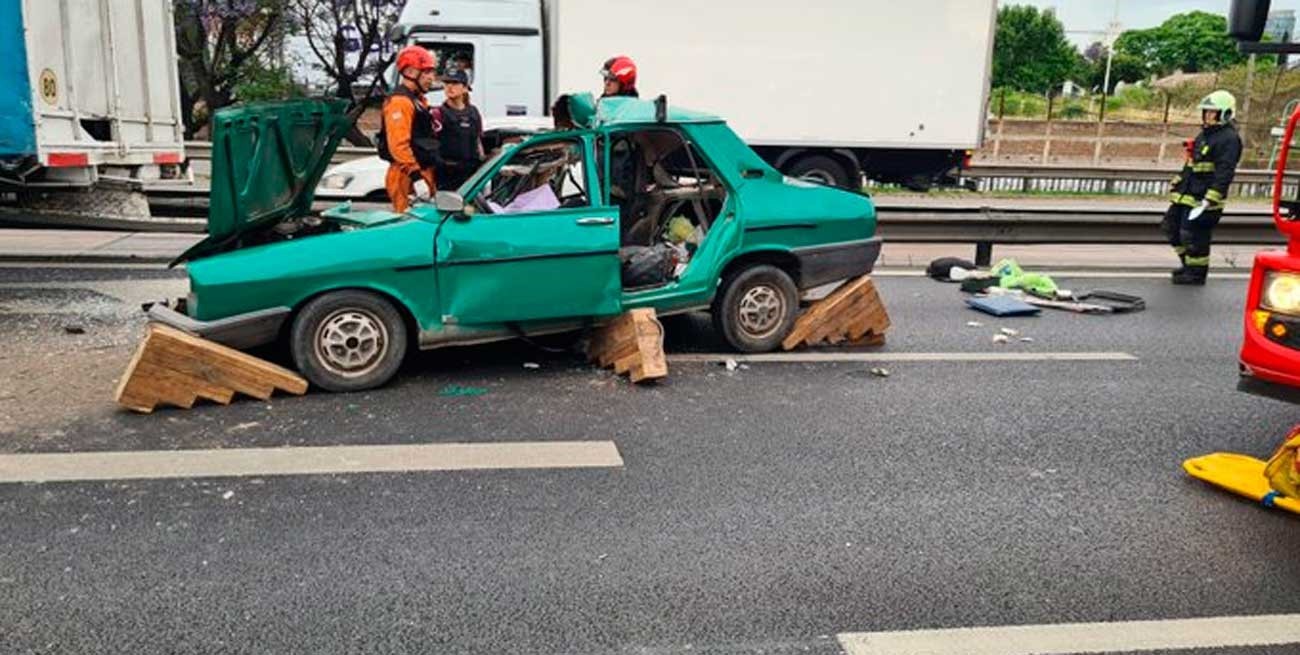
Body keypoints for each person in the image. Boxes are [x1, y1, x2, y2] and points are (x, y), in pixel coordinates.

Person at [1162, 90, 1243, 285]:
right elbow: (1192, 165)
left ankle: (1196, 274)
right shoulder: (1205, 135)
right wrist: (1179, 182)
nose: (1207, 115)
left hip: (1204, 201)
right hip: (1188, 195)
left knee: (1193, 235)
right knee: (1171, 228)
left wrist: (1210, 199)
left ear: (1225, 114)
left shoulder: (1229, 139)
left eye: (1212, 112)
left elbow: (1224, 173)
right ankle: (1188, 266)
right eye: (1206, 111)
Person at [378, 45, 439, 213]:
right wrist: (416, 177)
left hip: (421, 171)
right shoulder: (400, 102)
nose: (431, 78)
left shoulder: (417, 100)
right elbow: (399, 145)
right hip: (407, 176)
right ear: (411, 72)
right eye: (427, 72)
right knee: (408, 224)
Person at [433, 69, 485, 191]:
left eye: (455, 83)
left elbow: (478, 141)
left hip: (471, 174)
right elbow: (431, 145)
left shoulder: (473, 113)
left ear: (465, 88)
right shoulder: (438, 113)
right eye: (447, 83)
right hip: (447, 175)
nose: (450, 87)